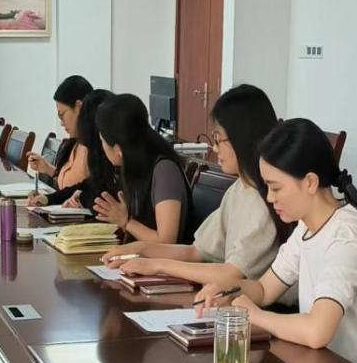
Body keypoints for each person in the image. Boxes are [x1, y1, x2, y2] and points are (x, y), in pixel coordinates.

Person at [195, 118, 357, 363]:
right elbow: (264, 290)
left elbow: (317, 331)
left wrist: (257, 316)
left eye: (276, 188)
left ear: (310, 182)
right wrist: (228, 290)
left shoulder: (344, 237)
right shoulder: (307, 226)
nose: (270, 198)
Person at [100, 85, 283, 285]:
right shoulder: (239, 189)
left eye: (218, 139)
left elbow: (231, 274)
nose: (214, 148)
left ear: (242, 138)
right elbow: (196, 251)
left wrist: (157, 265)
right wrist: (139, 249)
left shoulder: (264, 201)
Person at [93, 93, 192, 244]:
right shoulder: (135, 167)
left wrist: (126, 221)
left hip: (160, 259)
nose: (102, 147)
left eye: (102, 141)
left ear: (118, 149)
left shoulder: (165, 171)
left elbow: (166, 241)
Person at [27, 89, 118, 210]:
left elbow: (100, 195)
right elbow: (88, 185)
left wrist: (81, 199)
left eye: (62, 115)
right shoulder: (80, 146)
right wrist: (48, 199)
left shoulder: (105, 153)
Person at [27, 75, 93, 191]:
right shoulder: (76, 144)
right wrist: (47, 168)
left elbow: (78, 191)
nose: (62, 123)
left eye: (62, 115)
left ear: (78, 107)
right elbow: (69, 185)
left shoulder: (93, 148)